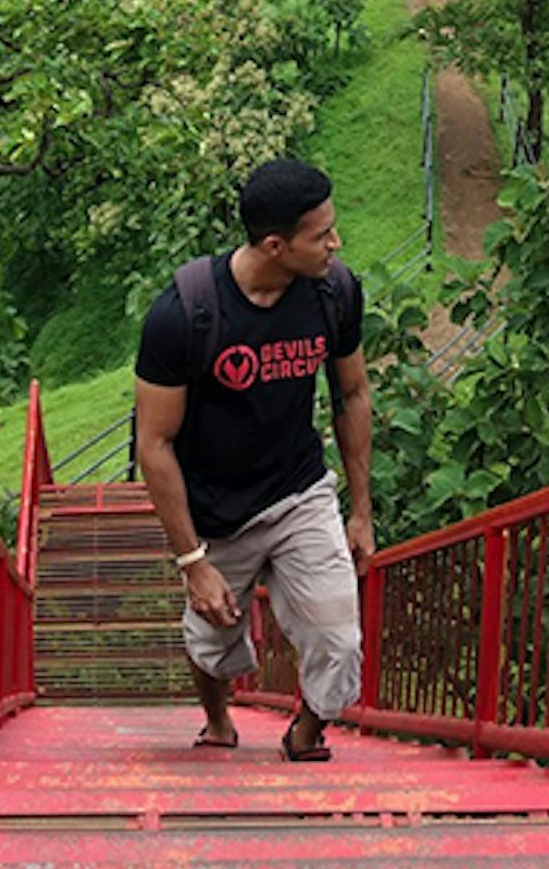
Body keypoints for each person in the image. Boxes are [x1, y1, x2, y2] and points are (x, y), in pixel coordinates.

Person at [134, 158, 374, 761]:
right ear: (275, 244)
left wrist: (362, 510)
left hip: (299, 490)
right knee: (211, 639)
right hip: (215, 510)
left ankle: (306, 733)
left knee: (337, 637)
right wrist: (192, 562)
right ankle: (218, 722)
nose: (335, 244)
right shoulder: (183, 313)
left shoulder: (332, 292)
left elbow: (353, 394)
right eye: (321, 235)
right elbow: (153, 444)